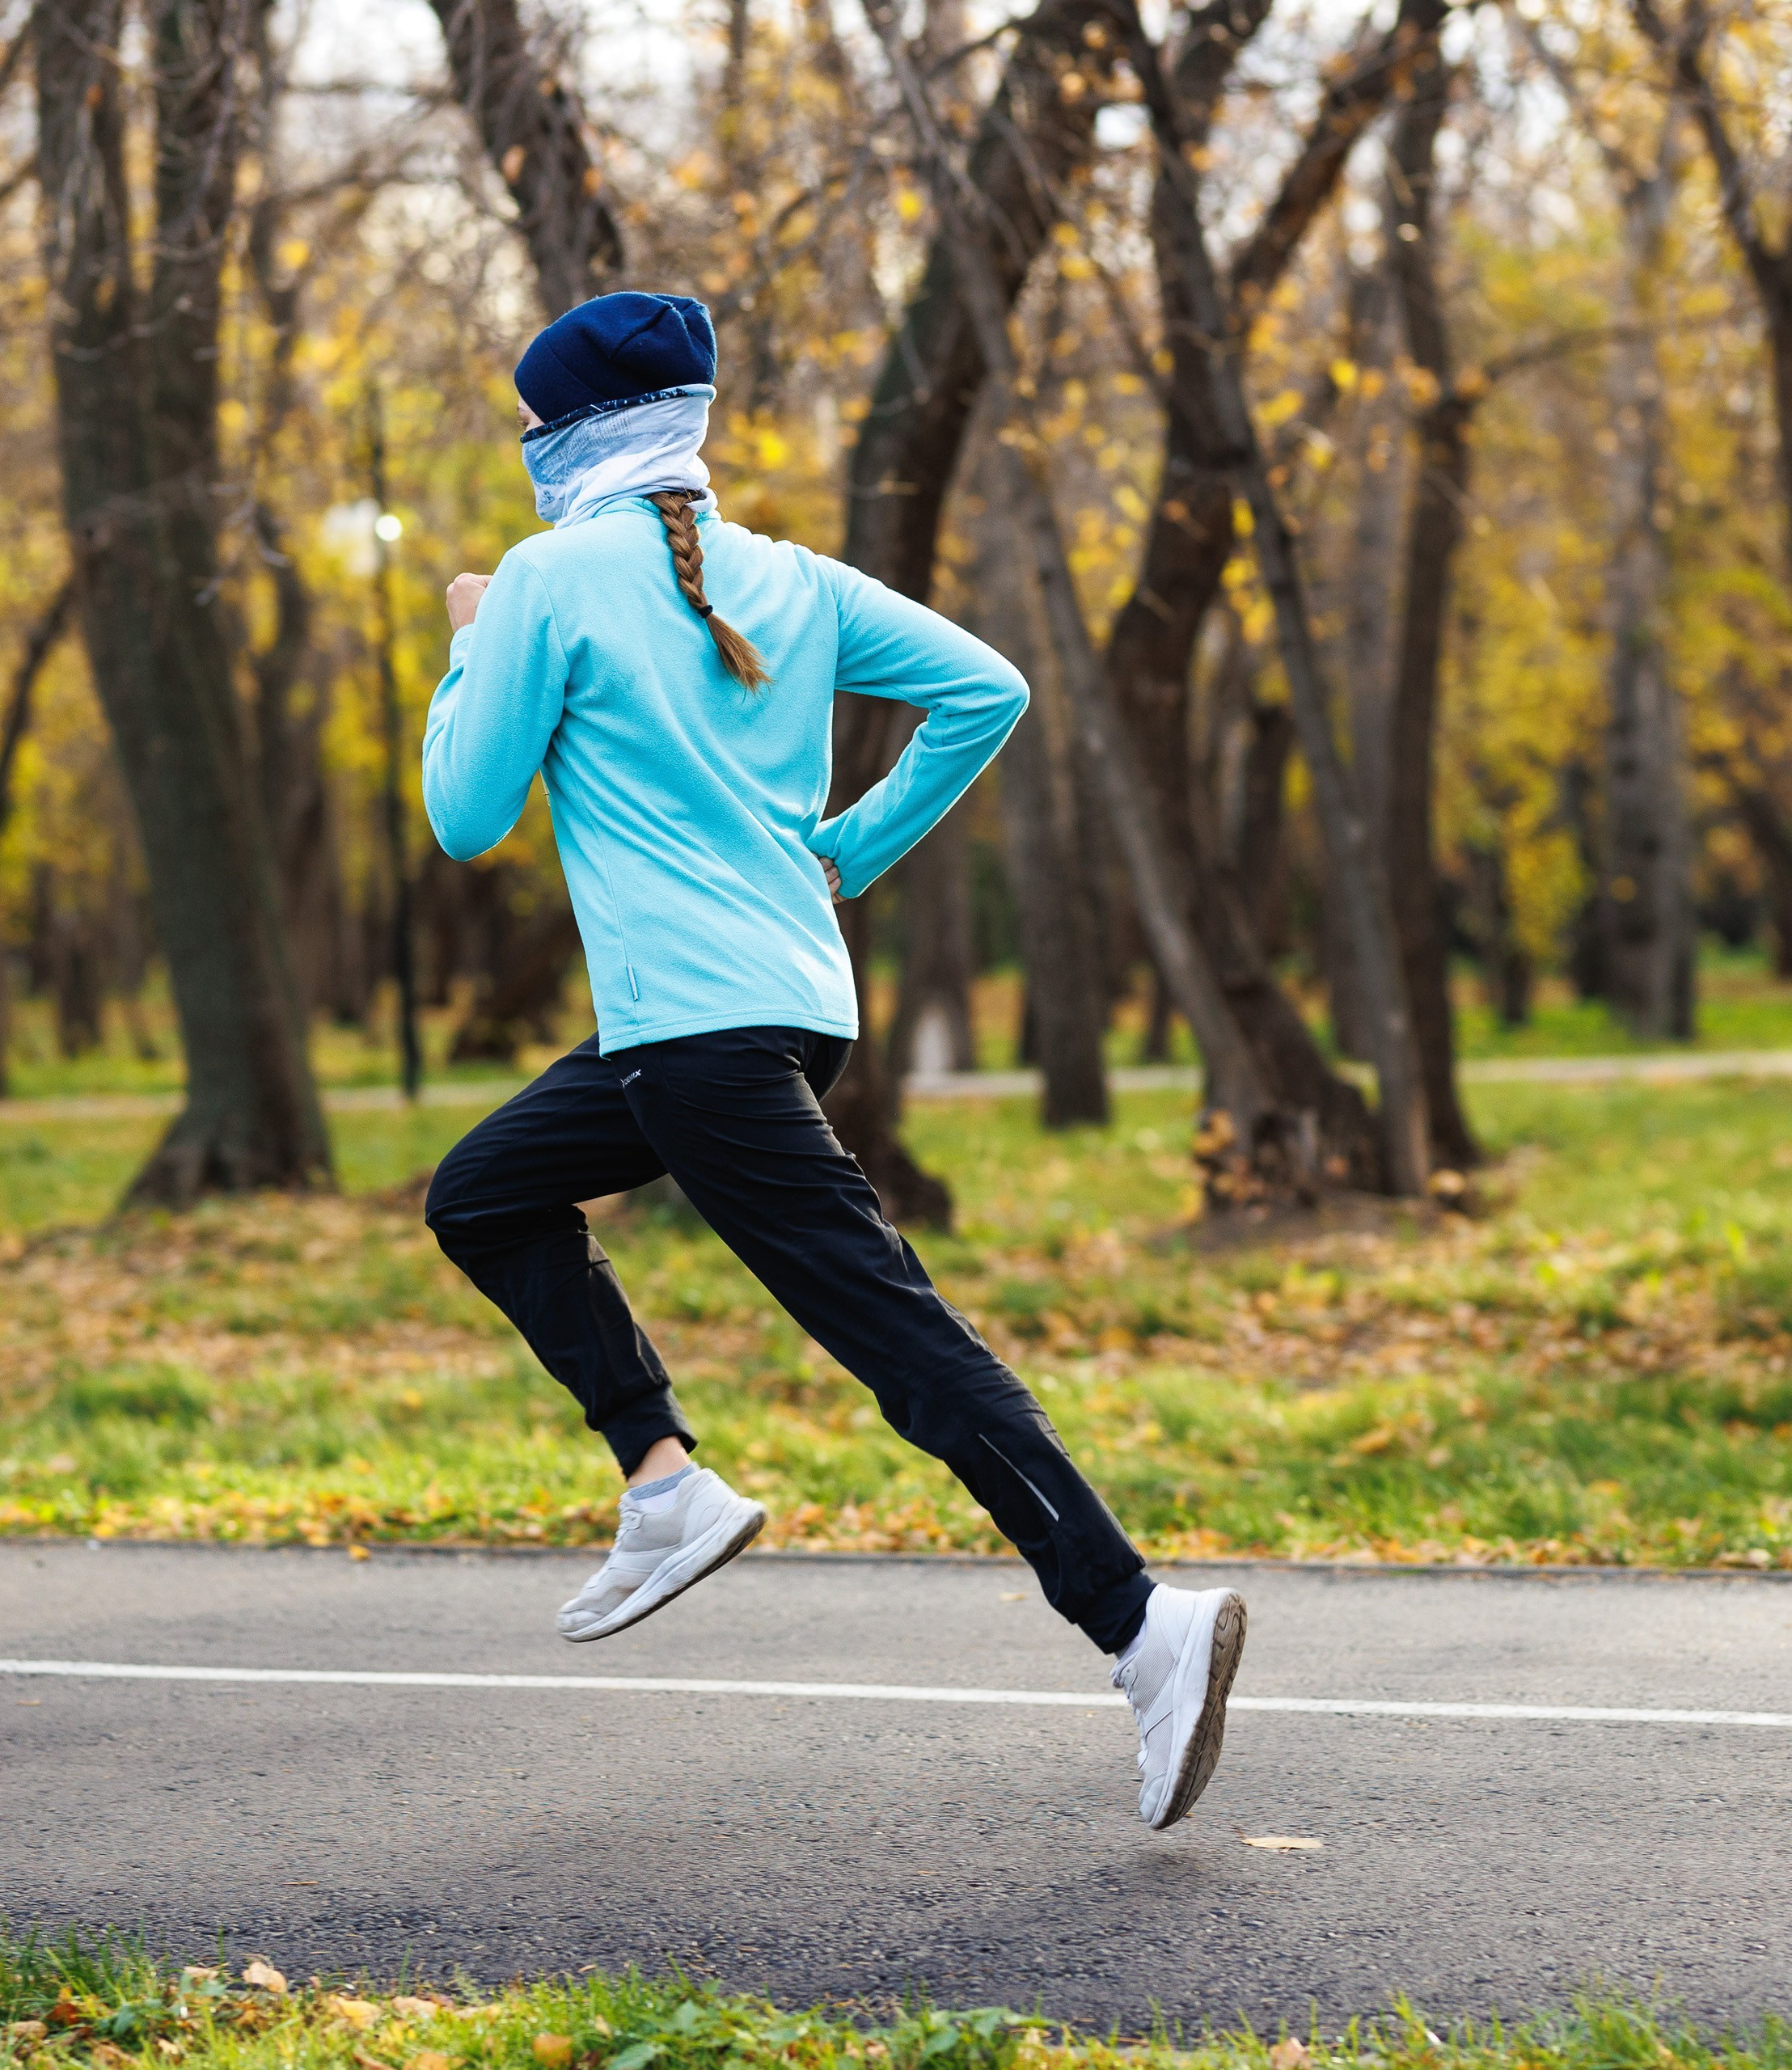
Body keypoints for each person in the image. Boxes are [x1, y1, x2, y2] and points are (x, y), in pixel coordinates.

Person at [421, 289, 1245, 1831]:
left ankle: (1141, 1626)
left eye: (530, 430)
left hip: (695, 1040)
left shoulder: (544, 581)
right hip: (775, 1013)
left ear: (566, 438)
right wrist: (846, 854)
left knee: (902, 1343)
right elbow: (981, 689)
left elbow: (466, 819)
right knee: (482, 1195)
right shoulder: (786, 578)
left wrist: (472, 650)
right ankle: (664, 1482)